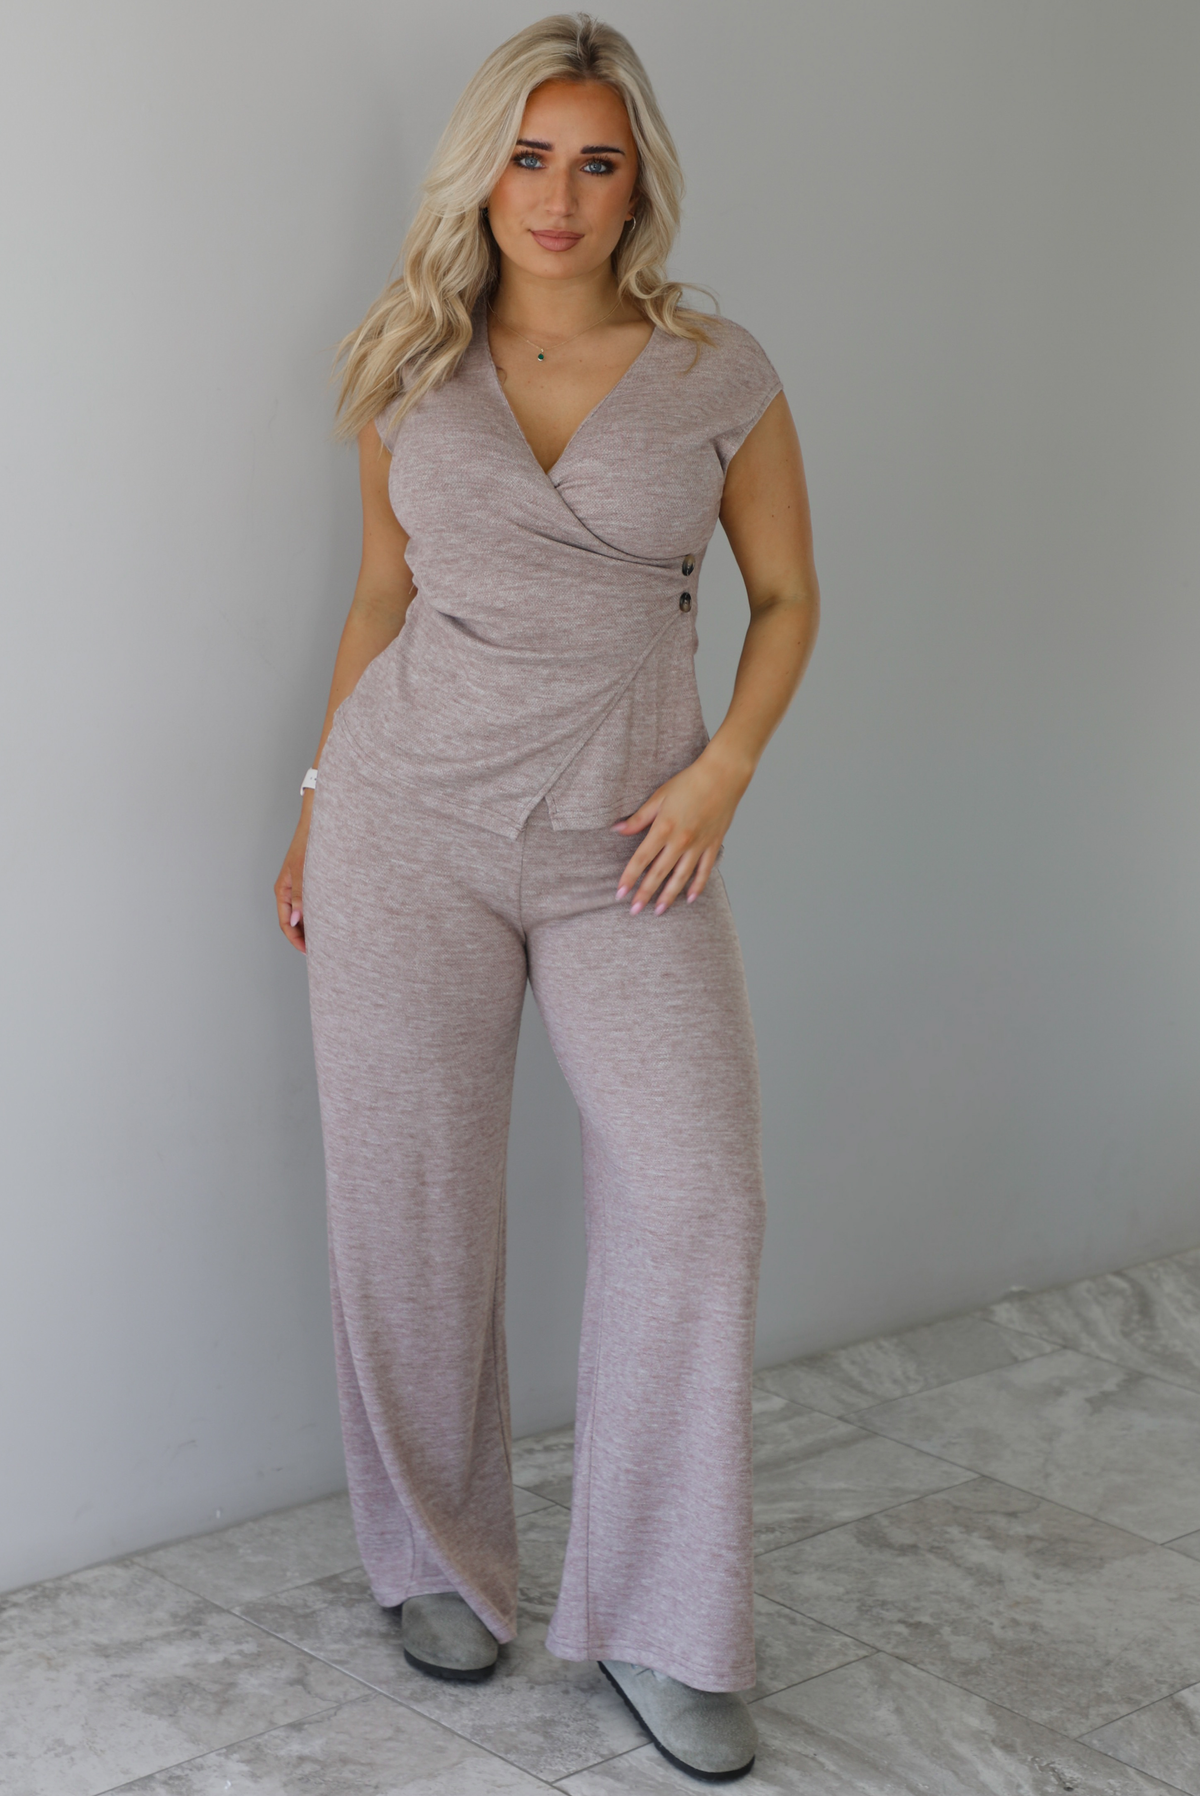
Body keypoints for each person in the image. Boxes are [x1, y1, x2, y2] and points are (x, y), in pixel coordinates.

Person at [274, 13, 818, 1782]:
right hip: (401, 826)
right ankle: (436, 1559)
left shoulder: (716, 370)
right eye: (528, 156)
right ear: (481, 173)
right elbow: (377, 604)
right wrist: (311, 798)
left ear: (636, 176)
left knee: (697, 1187)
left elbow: (789, 598)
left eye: (595, 158)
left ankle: (664, 1621)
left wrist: (724, 768)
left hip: (625, 846)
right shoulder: (408, 364)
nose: (560, 195)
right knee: (411, 1202)